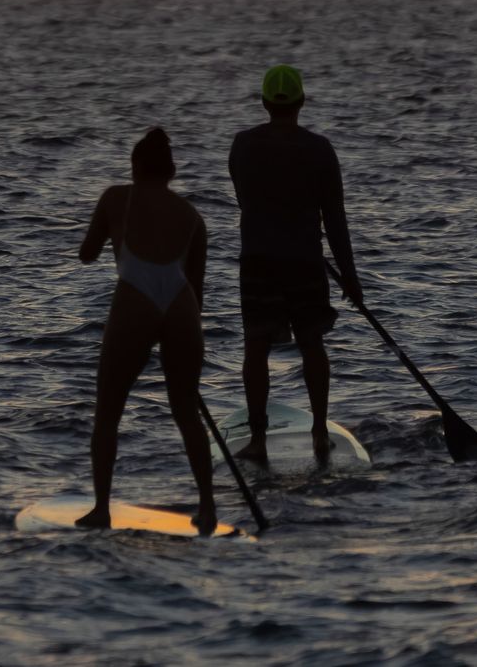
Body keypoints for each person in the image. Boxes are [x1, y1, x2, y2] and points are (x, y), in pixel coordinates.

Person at [76, 128, 216, 533]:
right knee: (186, 412)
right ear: (171, 171)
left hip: (135, 298)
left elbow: (86, 255)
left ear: (135, 168)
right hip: (181, 306)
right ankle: (207, 508)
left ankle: (102, 509)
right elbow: (198, 289)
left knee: (108, 411)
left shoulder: (115, 198)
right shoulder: (193, 217)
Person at [228, 63, 363, 463]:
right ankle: (319, 430)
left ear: (265, 102)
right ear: (301, 101)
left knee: (256, 345)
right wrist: (350, 279)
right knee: (311, 343)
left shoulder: (242, 145)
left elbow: (245, 200)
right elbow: (335, 219)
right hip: (305, 261)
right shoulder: (320, 149)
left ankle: (256, 439)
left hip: (258, 261)